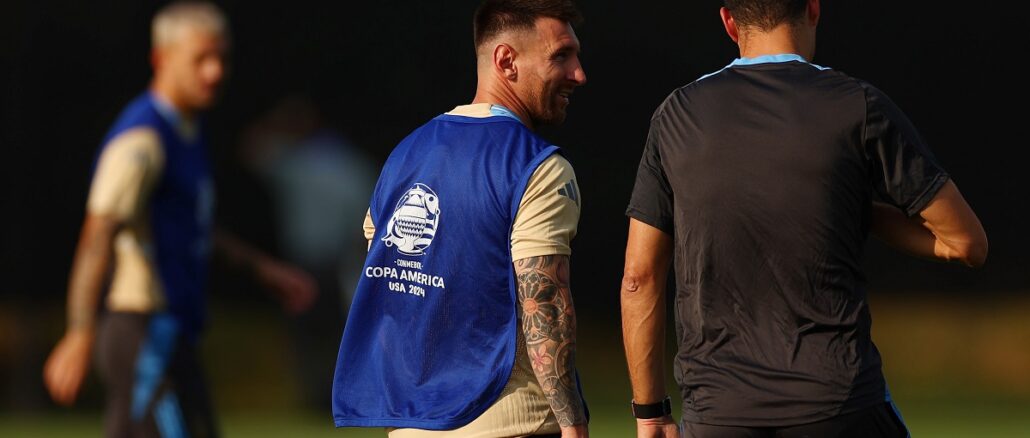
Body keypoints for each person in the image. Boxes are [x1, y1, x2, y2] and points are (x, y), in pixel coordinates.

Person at [620, 0, 988, 437]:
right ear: (813, 9)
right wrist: (854, 209)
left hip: (718, 412)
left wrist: (651, 413)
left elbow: (639, 279)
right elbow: (966, 243)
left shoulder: (676, 116)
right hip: (839, 405)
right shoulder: (858, 105)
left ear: (729, 21)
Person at [42, 3, 316, 437]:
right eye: (200, 59)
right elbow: (98, 234)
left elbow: (196, 228)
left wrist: (262, 270)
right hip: (140, 331)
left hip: (173, 336)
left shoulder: (186, 130)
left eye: (222, 58)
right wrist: (79, 332)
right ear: (161, 59)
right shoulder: (142, 141)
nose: (214, 72)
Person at [331, 0, 589, 436]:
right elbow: (544, 301)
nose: (579, 73)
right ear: (506, 60)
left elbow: (387, 274)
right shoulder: (538, 167)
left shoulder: (405, 155)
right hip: (513, 421)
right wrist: (572, 421)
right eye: (561, 56)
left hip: (413, 427)